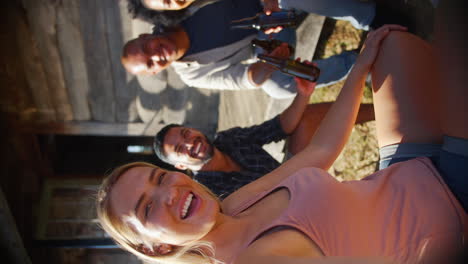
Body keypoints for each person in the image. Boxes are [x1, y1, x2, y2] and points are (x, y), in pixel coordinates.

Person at [96, 25, 467, 264]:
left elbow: (317, 153)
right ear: (155, 248)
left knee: (393, 46)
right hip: (452, 211)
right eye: (147, 209)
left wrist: (361, 66)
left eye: (158, 180)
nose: (168, 194)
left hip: (407, 172)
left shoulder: (233, 203)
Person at [152, 83, 374, 197]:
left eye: (185, 134)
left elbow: (277, 128)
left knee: (307, 119)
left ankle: (386, 110)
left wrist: (304, 93)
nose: (190, 143)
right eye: (181, 149)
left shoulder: (227, 139)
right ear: (181, 166)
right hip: (287, 210)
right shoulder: (208, 192)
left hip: (292, 173)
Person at [122, 0, 369, 98]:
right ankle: (361, 63)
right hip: (269, 40)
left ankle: (370, 17)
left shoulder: (171, 10)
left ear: (145, 35)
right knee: (277, 85)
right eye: (150, 63)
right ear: (155, 72)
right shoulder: (192, 74)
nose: (155, 54)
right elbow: (244, 80)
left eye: (147, 47)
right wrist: (270, 61)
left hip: (271, 2)